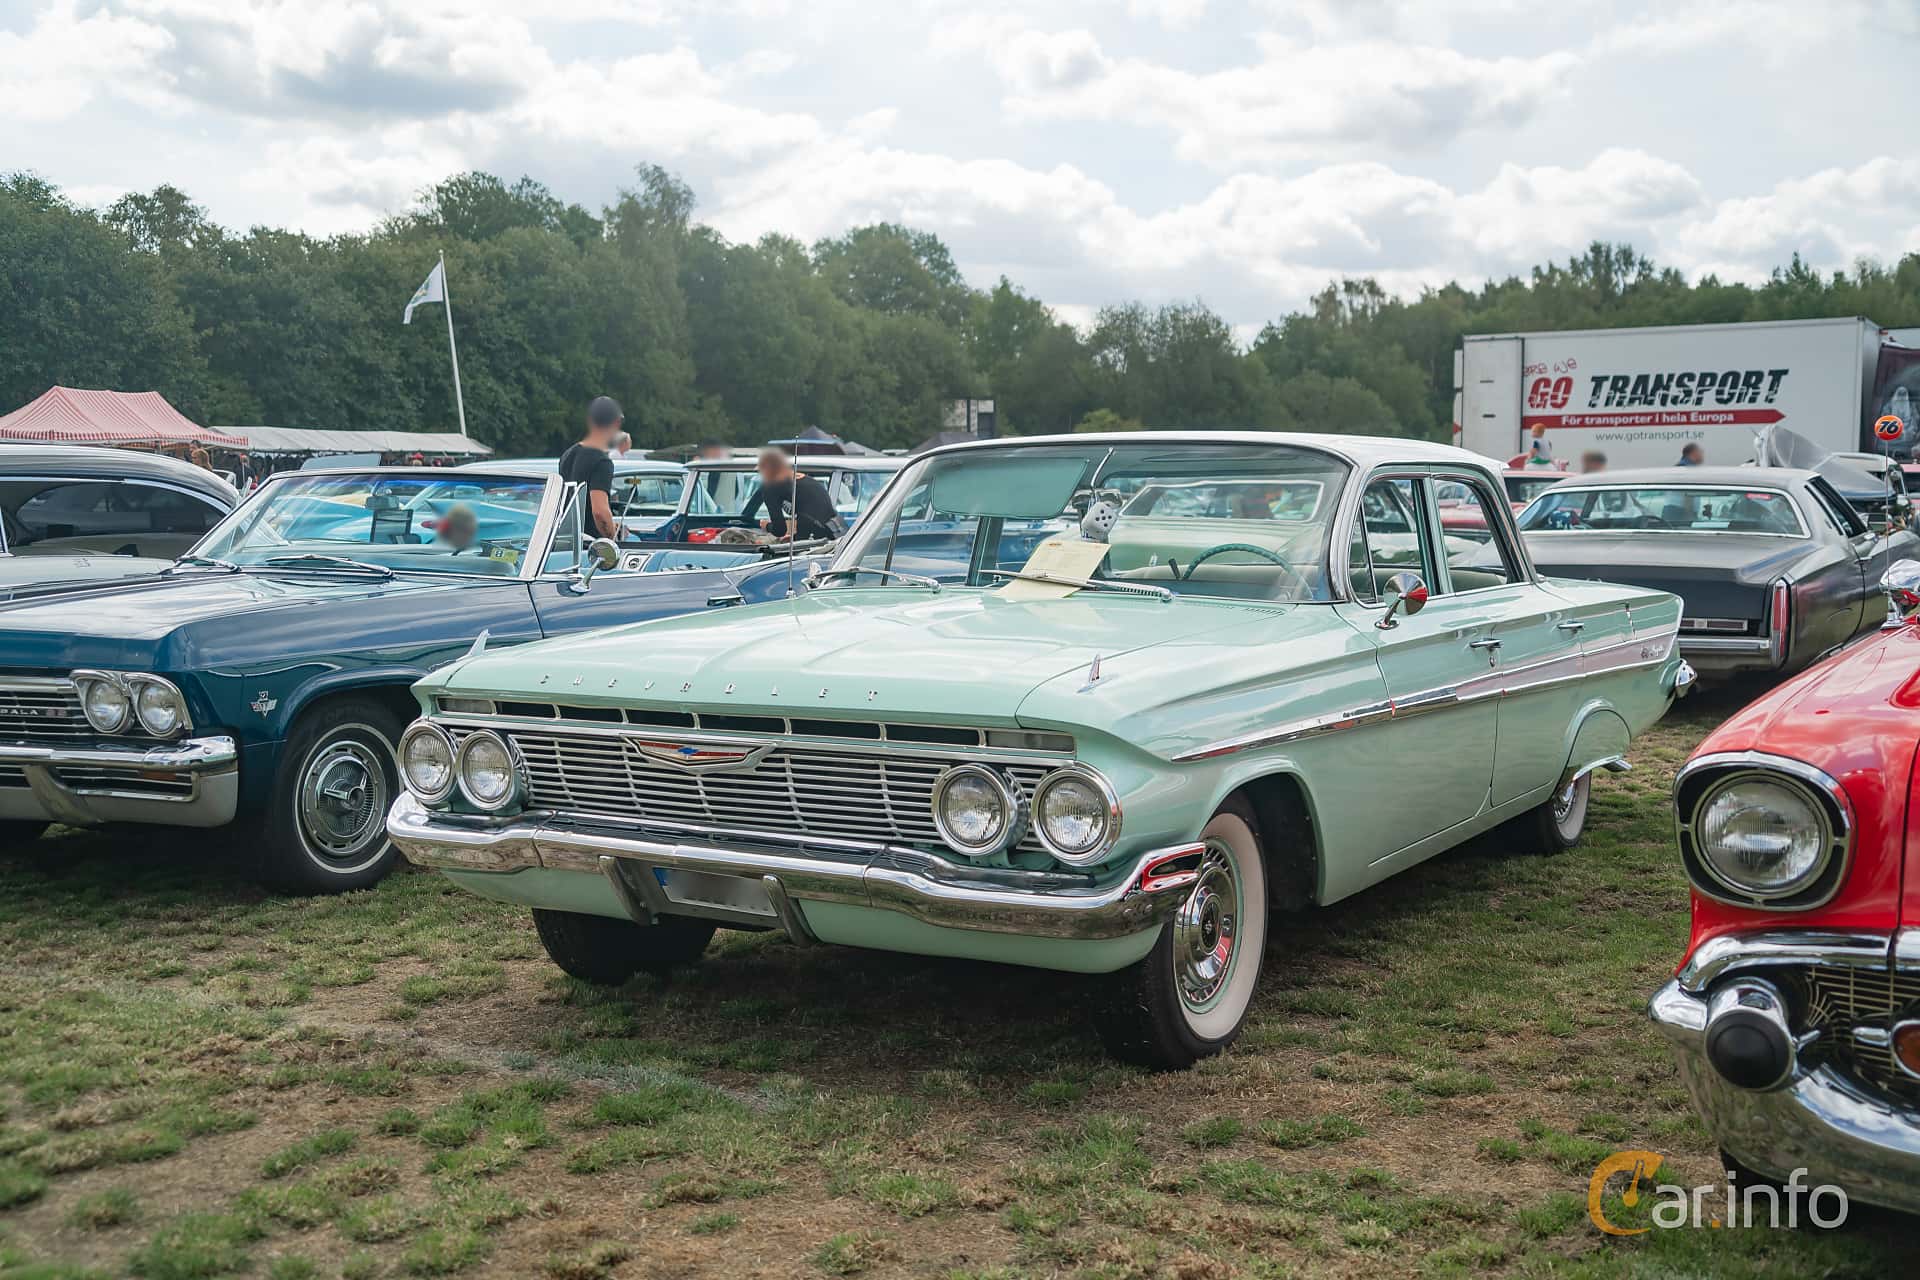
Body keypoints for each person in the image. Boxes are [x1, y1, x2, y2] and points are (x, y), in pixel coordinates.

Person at [741, 447, 837, 541]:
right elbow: (812, 513)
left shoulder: (771, 489)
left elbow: (779, 530)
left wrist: (766, 525)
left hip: (813, 542)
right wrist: (795, 537)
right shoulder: (803, 478)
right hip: (831, 534)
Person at [559, 396, 621, 541]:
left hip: (568, 541)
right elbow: (599, 512)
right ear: (616, 422)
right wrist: (611, 536)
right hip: (591, 547)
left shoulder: (568, 454)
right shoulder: (602, 462)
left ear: (590, 421)